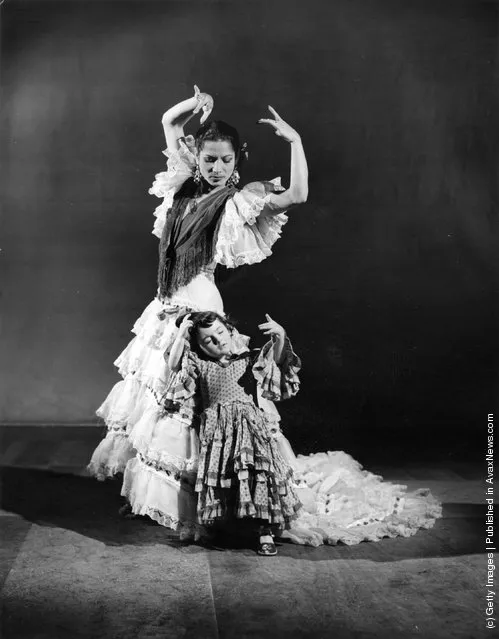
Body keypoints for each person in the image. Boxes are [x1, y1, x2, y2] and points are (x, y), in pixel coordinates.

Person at [87, 86, 309, 540]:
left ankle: (202, 505)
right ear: (198, 157)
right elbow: (170, 123)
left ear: (236, 160)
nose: (216, 168)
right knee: (158, 405)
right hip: (166, 308)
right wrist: (197, 104)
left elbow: (297, 197)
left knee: (193, 409)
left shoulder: (237, 199)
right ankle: (157, 499)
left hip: (201, 313)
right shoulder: (183, 185)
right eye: (209, 159)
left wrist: (295, 142)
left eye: (225, 160)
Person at [162, 311, 302, 555]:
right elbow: (174, 364)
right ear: (199, 345)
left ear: (229, 329)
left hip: (250, 429)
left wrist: (280, 337)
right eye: (208, 341)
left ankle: (264, 531)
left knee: (258, 476)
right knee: (225, 481)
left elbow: (275, 363)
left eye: (220, 332)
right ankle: (231, 530)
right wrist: (182, 332)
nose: (218, 341)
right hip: (217, 435)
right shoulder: (199, 362)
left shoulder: (247, 357)